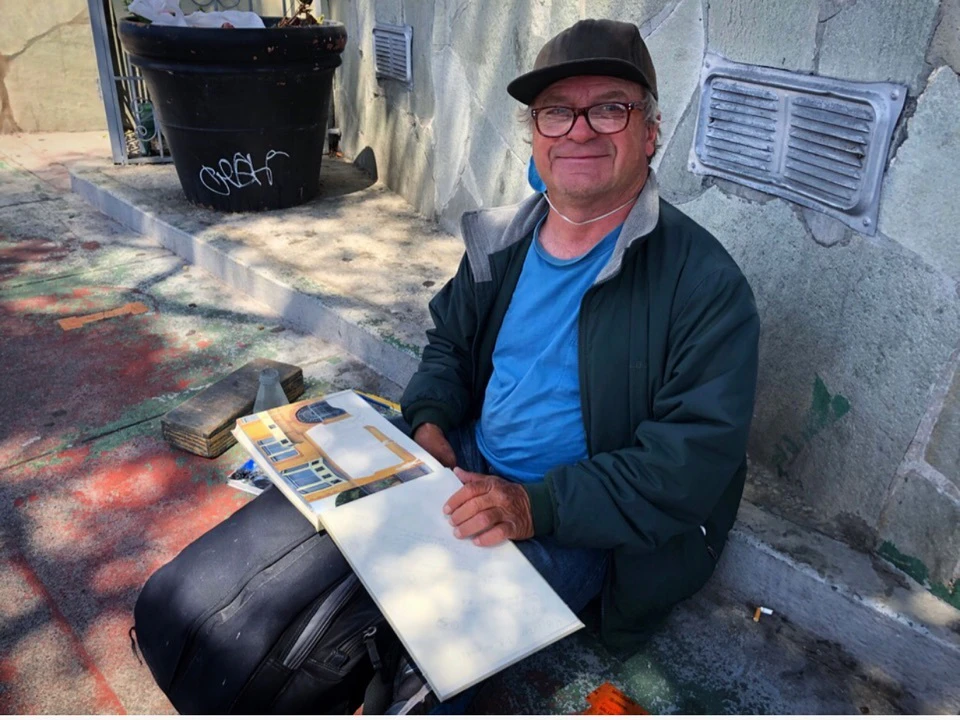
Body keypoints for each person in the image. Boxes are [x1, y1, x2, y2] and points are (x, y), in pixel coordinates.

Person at [379, 17, 760, 713]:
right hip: (469, 460)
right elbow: (449, 346)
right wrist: (430, 422)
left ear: (650, 132)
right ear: (535, 136)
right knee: (334, 569)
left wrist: (535, 505)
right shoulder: (501, 241)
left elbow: (687, 464)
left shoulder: (705, 285)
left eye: (609, 107)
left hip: (578, 517)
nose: (579, 129)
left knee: (434, 667)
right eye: (556, 111)